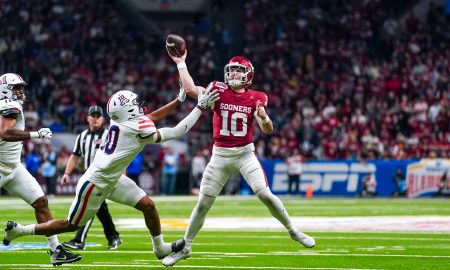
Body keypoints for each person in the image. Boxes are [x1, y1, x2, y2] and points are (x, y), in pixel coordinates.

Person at [3, 86, 219, 261]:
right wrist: (200, 107)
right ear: (128, 111)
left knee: (148, 206)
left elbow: (151, 117)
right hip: (95, 183)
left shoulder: (121, 121)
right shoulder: (134, 127)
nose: (139, 107)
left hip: (113, 179)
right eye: (135, 104)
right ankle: (21, 231)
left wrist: (178, 100)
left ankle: (160, 248)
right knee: (71, 224)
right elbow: (178, 131)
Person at [162, 52, 315, 267]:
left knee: (265, 194)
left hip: (245, 154)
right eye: (231, 69)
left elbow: (268, 129)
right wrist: (181, 63)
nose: (234, 73)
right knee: (203, 203)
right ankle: (186, 247)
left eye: (239, 70)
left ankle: (293, 231)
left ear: (248, 75)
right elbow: (189, 89)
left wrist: (264, 117)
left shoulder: (257, 97)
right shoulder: (217, 89)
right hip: (220, 155)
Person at [0, 73, 81, 266]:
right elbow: (5, 133)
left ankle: (56, 251)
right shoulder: (9, 106)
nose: (20, 92)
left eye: (20, 87)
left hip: (13, 167)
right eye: (16, 88)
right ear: (5, 89)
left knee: (41, 202)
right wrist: (36, 134)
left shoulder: (10, 105)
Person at [60, 105, 121, 250]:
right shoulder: (82, 136)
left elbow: (118, 155)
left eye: (97, 116)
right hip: (90, 176)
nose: (95, 119)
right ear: (87, 118)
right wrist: (67, 173)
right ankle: (113, 237)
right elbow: (75, 156)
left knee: (90, 206)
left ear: (103, 119)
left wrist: (121, 173)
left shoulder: (109, 135)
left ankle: (79, 240)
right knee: (99, 208)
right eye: (92, 116)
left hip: (105, 176)